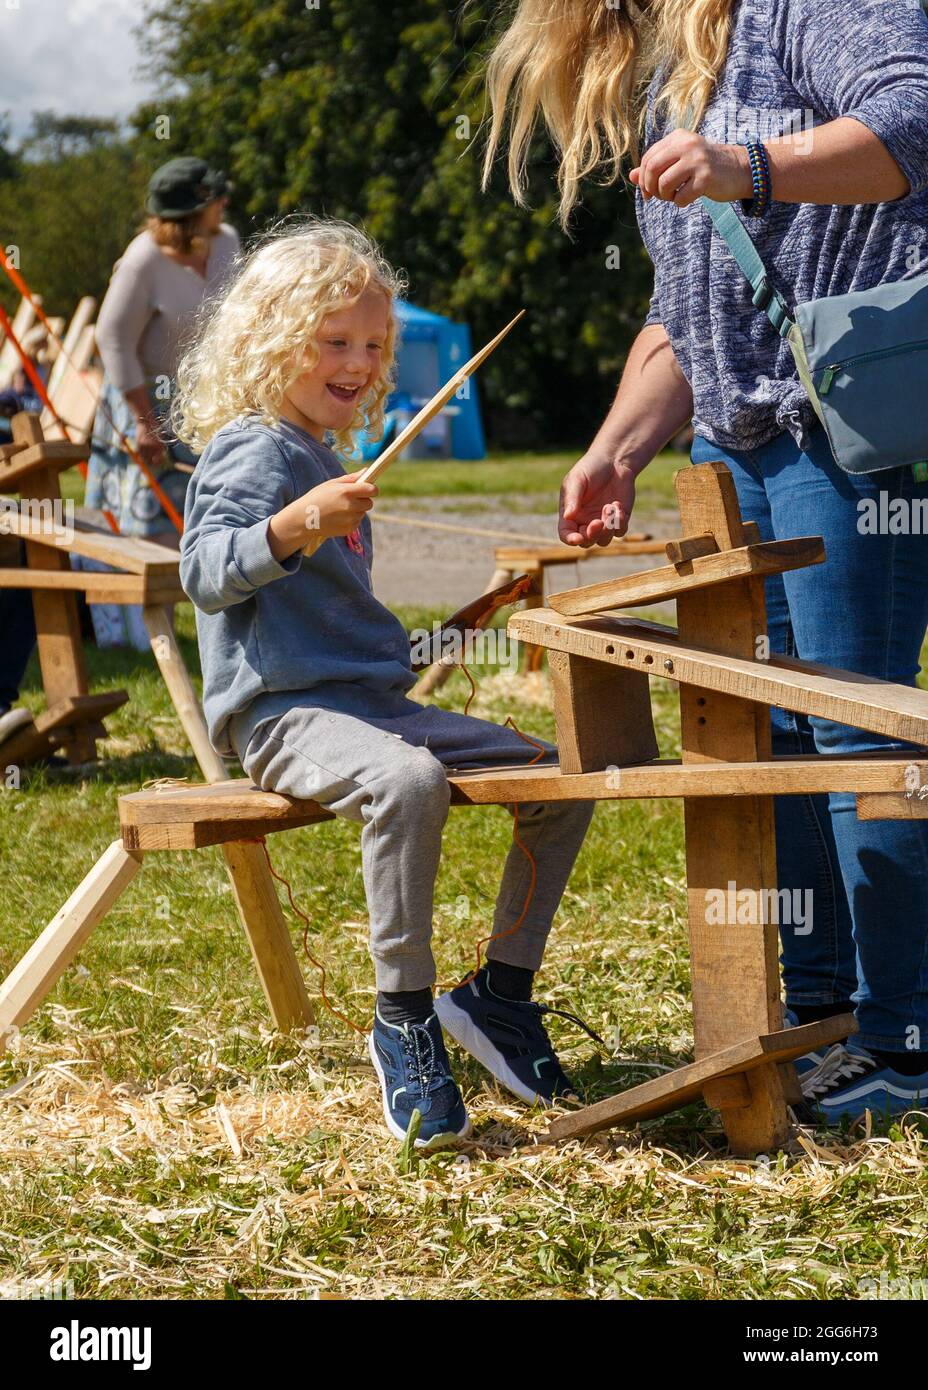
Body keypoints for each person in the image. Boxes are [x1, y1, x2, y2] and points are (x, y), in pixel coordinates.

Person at [483, 0, 928, 1124]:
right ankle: (825, 1013)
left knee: (857, 733)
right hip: (738, 446)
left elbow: (913, 124)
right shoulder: (689, 60)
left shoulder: (809, 6)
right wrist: (614, 448)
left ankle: (908, 1045)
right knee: (767, 730)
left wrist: (748, 165)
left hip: (849, 444)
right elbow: (688, 307)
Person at [174, 220, 596, 1148]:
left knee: (562, 776)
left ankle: (499, 998)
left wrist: (424, 636)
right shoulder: (258, 449)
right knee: (407, 783)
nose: (359, 362)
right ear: (270, 341)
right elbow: (202, 572)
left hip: (366, 704)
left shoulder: (324, 456)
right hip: (280, 714)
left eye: (373, 345)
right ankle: (402, 1016)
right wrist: (293, 525)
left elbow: (334, 623)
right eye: (334, 343)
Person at [84, 156, 240, 646]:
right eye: (215, 198)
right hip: (142, 402)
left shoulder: (227, 243)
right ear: (190, 213)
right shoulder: (143, 259)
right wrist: (144, 424)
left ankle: (195, 631)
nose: (224, 203)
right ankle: (139, 639)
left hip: (200, 399)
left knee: (202, 510)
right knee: (145, 520)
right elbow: (112, 340)